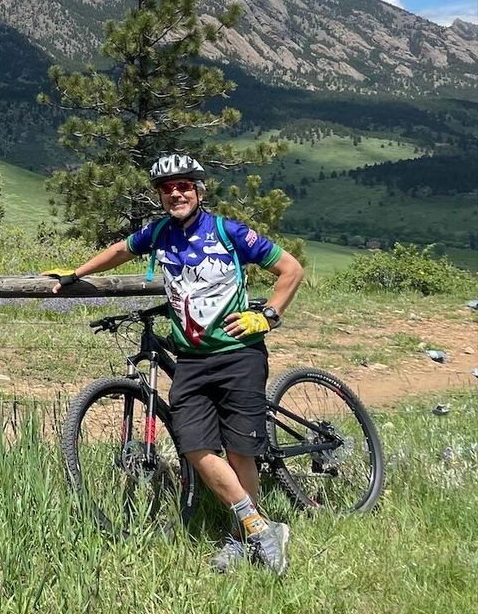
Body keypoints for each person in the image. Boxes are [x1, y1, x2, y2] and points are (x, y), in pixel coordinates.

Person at [43, 152, 304, 575]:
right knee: (194, 445)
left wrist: (268, 315)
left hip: (239, 354)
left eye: (184, 186)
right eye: (167, 188)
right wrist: (76, 273)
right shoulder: (159, 233)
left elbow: (291, 269)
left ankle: (242, 538)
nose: (176, 193)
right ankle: (260, 527)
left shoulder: (229, 231)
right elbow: (119, 251)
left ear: (199, 191)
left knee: (240, 451)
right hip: (192, 360)